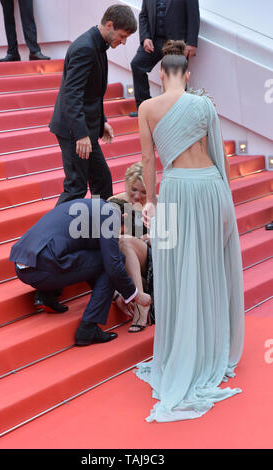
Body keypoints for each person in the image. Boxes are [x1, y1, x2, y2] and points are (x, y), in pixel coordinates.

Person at [134, 40, 245, 422]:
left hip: (176, 189)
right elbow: (219, 155)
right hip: (211, 188)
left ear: (161, 73)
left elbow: (148, 160)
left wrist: (150, 201)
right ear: (188, 73)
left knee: (175, 270)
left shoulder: (147, 107)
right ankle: (209, 350)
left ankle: (181, 352)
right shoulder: (204, 104)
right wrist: (227, 203)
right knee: (209, 267)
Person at [9, 198, 151, 346]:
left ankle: (47, 295)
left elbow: (87, 265)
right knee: (116, 259)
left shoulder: (86, 208)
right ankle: (88, 327)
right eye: (120, 233)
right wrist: (134, 294)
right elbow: (113, 265)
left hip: (22, 266)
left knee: (91, 255)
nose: (116, 238)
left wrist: (115, 296)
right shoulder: (110, 214)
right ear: (123, 217)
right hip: (46, 266)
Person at [49, 4, 137, 205]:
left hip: (85, 128)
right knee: (76, 188)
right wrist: (80, 134)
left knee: (102, 181)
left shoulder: (96, 44)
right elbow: (72, 94)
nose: (123, 42)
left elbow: (92, 94)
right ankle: (49, 234)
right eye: (122, 36)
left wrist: (101, 121)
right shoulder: (86, 47)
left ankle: (97, 232)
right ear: (109, 25)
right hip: (74, 131)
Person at [129, 0, 200, 117]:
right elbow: (143, 15)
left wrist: (192, 42)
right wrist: (145, 37)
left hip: (177, 42)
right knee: (137, 64)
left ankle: (179, 111)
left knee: (176, 74)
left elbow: (194, 15)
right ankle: (143, 107)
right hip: (154, 40)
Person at [109, 162, 155, 332]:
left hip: (151, 265)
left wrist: (153, 238)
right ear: (126, 183)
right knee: (118, 242)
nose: (137, 196)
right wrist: (115, 293)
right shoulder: (114, 203)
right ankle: (134, 294)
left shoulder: (155, 205)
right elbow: (103, 248)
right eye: (134, 189)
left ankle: (141, 306)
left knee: (125, 240)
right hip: (123, 267)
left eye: (143, 192)